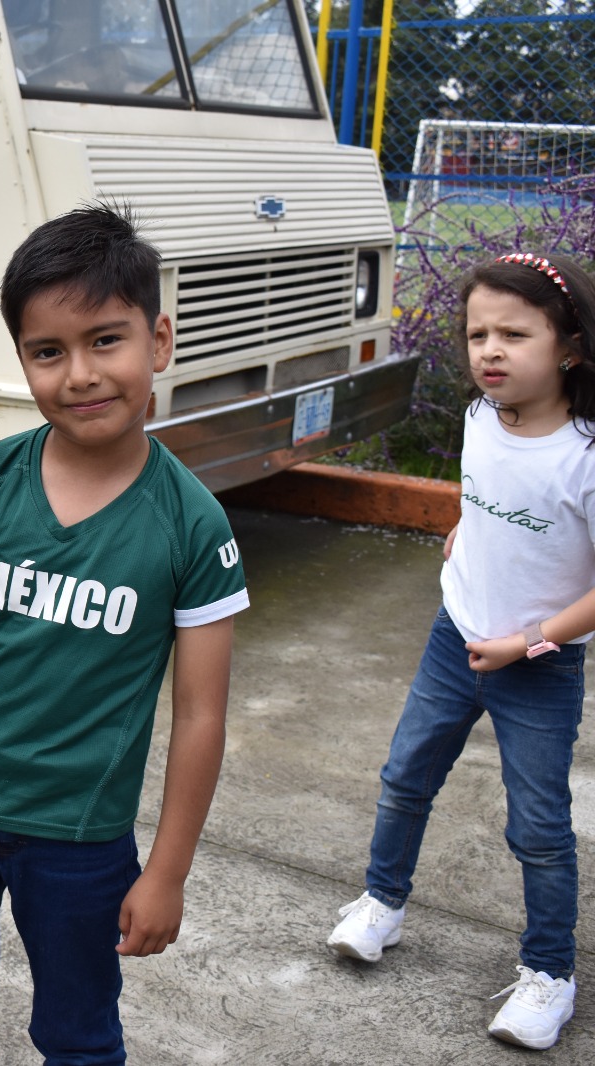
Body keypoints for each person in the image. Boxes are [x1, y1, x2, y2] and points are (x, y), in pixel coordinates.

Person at [0, 203, 250, 1064]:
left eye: (105, 341)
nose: (80, 374)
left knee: (79, 1038)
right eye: (48, 351)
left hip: (80, 842)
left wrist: (168, 872)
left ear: (159, 341)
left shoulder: (193, 527)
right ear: (22, 360)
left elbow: (201, 715)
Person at [325, 251, 595, 1051]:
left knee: (538, 826)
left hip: (539, 664)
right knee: (405, 776)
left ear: (570, 346)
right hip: (456, 635)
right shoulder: (482, 415)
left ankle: (549, 975)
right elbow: (488, 496)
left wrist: (528, 641)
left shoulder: (584, 454)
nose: (490, 351)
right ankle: (382, 903)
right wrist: (465, 531)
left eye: (515, 334)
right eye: (479, 335)